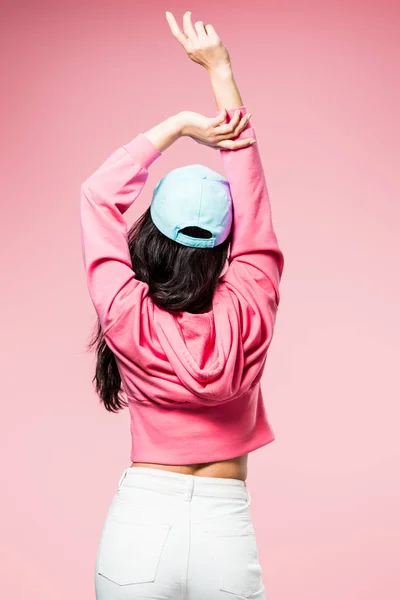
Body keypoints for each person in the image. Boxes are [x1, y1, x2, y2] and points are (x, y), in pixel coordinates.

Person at [80, 10, 285, 600]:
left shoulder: (125, 312)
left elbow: (96, 196)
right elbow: (252, 192)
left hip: (141, 526)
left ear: (148, 238)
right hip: (226, 530)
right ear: (228, 242)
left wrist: (176, 127)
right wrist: (221, 70)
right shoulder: (253, 299)